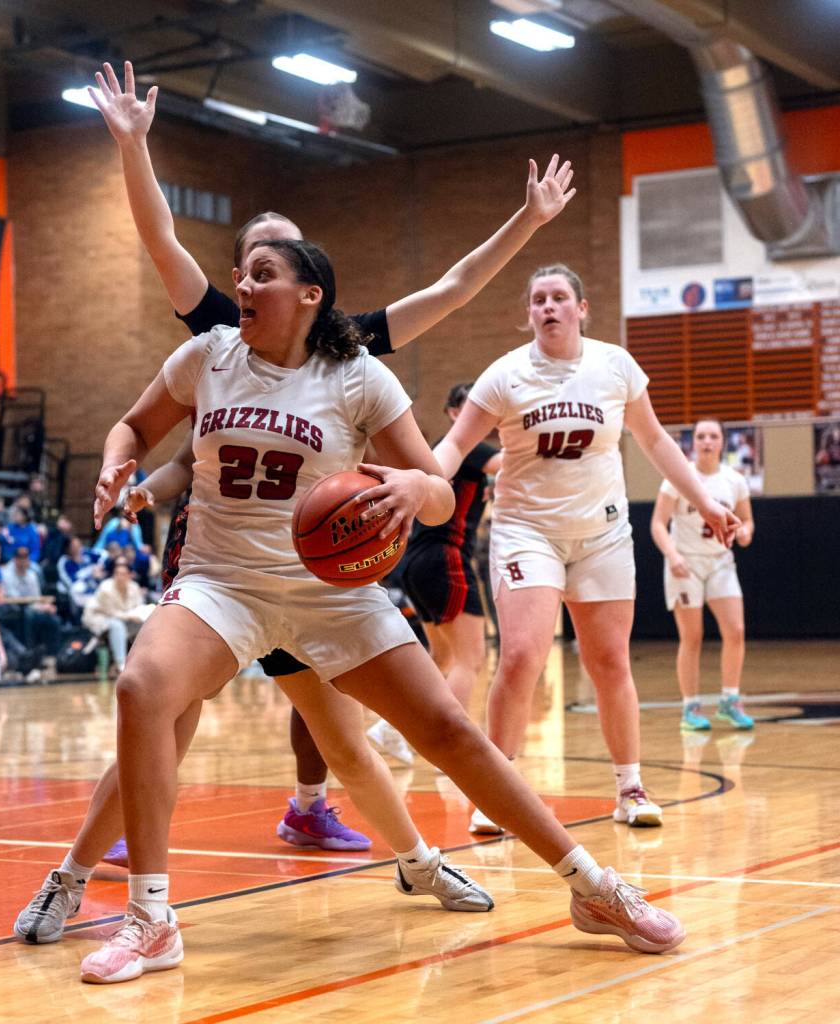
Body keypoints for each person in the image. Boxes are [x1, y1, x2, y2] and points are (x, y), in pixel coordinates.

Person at [56, 240, 685, 985]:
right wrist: (113, 460)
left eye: (262, 275)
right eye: (240, 273)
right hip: (221, 580)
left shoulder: (359, 376)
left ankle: (591, 887)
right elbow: (133, 426)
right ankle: (150, 920)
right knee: (141, 689)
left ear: (311, 294)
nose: (241, 286)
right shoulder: (208, 356)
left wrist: (419, 492)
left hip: (331, 592)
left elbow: (439, 487)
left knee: (449, 730)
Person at [87, 59, 577, 847]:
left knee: (339, 729)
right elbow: (159, 241)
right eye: (255, 259)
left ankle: (386, 843)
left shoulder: (348, 353)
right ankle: (108, 849)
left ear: (312, 285)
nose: (261, 274)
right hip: (222, 558)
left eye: (285, 256)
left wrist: (528, 222)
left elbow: (452, 288)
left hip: (313, 564)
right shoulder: (219, 333)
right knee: (167, 704)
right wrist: (133, 147)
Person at [434, 264, 740, 834]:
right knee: (523, 655)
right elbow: (454, 445)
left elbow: (654, 441)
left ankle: (630, 787)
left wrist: (704, 500)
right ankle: (496, 790)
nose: (548, 307)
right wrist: (421, 484)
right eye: (538, 299)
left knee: (608, 662)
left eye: (558, 298)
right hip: (528, 531)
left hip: (601, 535)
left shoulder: (614, 366)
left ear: (581, 307)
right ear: (528, 313)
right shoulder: (505, 375)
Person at [399, 383, 502, 711]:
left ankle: (393, 729)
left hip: (417, 561)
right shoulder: (469, 446)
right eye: (472, 408)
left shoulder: (440, 451)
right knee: (470, 659)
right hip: (445, 556)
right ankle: (452, 745)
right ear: (455, 413)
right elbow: (510, 462)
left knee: (442, 657)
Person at [650, 418, 755, 731]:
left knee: (735, 630)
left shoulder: (734, 480)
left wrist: (745, 533)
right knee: (692, 636)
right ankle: (690, 707)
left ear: (723, 442)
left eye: (713, 436)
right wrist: (672, 555)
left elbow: (747, 522)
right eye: (701, 436)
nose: (707, 441)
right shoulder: (678, 478)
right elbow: (658, 523)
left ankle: (730, 699)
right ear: (692, 442)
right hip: (686, 563)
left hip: (721, 561)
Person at [83, 558, 154, 673]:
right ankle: (120, 663)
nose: (121, 577)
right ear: (114, 575)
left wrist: (141, 615)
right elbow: (111, 612)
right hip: (100, 617)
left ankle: (144, 661)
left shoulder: (134, 587)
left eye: (124, 574)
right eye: (118, 574)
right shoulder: (105, 588)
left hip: (125, 617)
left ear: (129, 575)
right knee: (117, 626)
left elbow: (139, 607)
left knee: (146, 625)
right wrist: (130, 616)